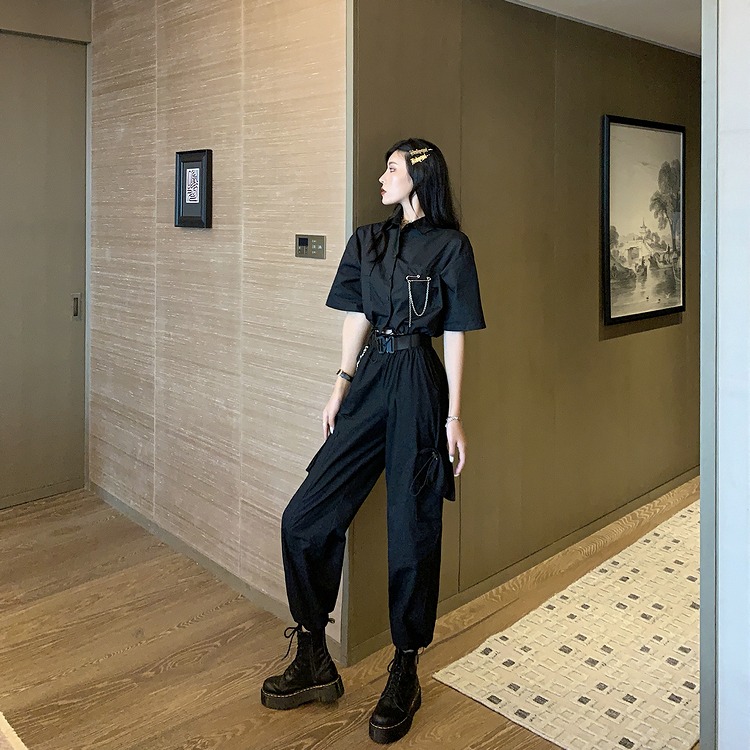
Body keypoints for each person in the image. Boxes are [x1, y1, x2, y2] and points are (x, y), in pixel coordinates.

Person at [260, 137, 486, 744]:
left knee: (412, 529)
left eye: (391, 169)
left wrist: (453, 416)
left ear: (419, 176)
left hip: (418, 382)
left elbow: (457, 331)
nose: (381, 178)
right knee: (304, 518)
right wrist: (340, 385)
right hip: (371, 380)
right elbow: (357, 314)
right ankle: (313, 656)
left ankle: (405, 669)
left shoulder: (450, 246)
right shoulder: (369, 240)